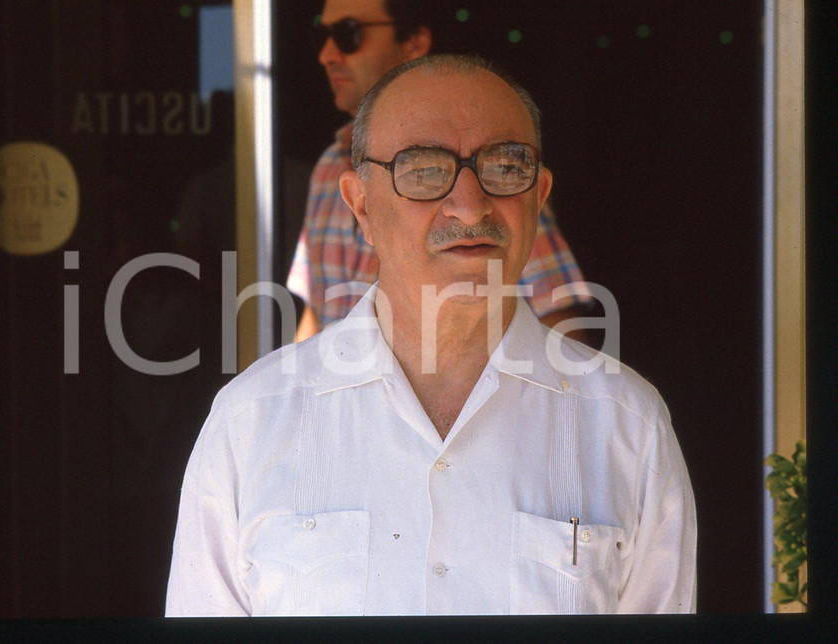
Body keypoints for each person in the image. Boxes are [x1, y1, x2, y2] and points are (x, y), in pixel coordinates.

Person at [165, 54, 697, 616]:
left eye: (506, 165)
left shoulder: (627, 426)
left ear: (538, 197)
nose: (469, 206)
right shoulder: (251, 421)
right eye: (423, 169)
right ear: (361, 206)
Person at [288, 0, 591, 342]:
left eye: (348, 35)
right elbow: (316, 315)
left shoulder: (493, 177)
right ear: (357, 199)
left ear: (414, 43)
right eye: (321, 35)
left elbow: (558, 324)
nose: (327, 54)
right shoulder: (329, 168)